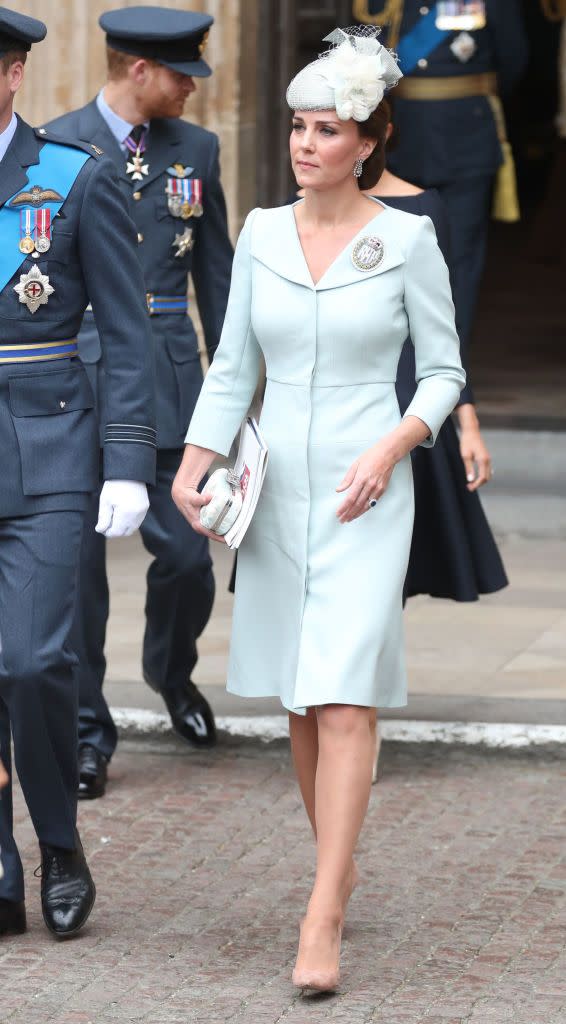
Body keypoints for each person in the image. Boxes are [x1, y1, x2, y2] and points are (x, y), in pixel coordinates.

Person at [172, 26, 466, 992]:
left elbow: (443, 371)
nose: (304, 144)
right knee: (300, 702)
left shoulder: (409, 238)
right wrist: (194, 462)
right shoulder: (258, 232)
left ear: (368, 141)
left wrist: (394, 446)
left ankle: (323, 910)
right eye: (297, 127)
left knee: (343, 696)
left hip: (365, 492)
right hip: (274, 497)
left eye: (326, 129)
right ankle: (339, 858)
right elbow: (232, 368)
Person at [47, 5, 234, 800]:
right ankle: (88, 732)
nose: (193, 89)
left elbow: (216, 274)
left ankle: (171, 672)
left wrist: (239, 389)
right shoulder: (52, 144)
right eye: (183, 76)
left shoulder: (197, 148)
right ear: (140, 72)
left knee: (190, 555)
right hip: (73, 381)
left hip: (168, 372)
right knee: (78, 577)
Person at [0, 7, 156, 938]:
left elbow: (128, 333)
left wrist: (128, 458)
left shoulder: (71, 176)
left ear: (13, 73)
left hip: (49, 445)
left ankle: (59, 838)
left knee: (33, 660)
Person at [366, 122, 509, 779]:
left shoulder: (426, 210)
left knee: (384, 572)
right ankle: (339, 707)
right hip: (326, 404)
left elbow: (441, 329)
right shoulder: (296, 212)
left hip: (406, 404)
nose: (310, 143)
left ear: (378, 134)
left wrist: (467, 420)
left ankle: (356, 709)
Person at [354, 0, 528, 358]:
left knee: (458, 262)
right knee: (390, 256)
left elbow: (514, 58)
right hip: (399, 142)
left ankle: (450, 369)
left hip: (465, 140)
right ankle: (395, 366)